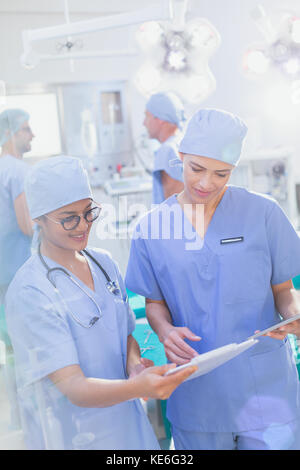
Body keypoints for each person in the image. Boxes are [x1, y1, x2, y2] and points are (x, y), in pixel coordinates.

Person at [125, 108, 300, 450]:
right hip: (197, 389)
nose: (206, 183)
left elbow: (284, 290)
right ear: (180, 158)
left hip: (266, 390)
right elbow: (154, 302)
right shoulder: (152, 227)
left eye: (221, 174)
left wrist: (294, 316)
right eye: (196, 169)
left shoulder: (263, 214)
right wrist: (165, 330)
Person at [4, 155, 196, 450]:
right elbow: (73, 387)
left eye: (88, 212)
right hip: (75, 435)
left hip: (128, 427)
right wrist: (137, 387)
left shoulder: (104, 263)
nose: (83, 225)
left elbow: (125, 335)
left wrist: (134, 367)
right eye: (69, 218)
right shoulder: (31, 291)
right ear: (39, 219)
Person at [0, 108, 34, 429]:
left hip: (2, 275)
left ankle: (17, 416)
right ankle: (32, 415)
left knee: (10, 347)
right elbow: (27, 225)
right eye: (25, 129)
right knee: (27, 347)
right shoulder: (17, 171)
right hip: (17, 274)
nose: (31, 135)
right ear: (10, 133)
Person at [144, 92, 185, 204]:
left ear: (160, 119)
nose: (144, 123)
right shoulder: (180, 143)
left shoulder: (166, 151)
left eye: (147, 116)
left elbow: (173, 210)